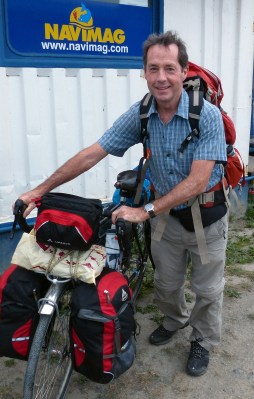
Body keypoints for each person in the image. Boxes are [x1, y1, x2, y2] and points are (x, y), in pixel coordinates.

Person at [17, 31, 227, 377]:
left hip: (206, 216)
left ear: (184, 71)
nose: (161, 78)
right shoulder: (142, 113)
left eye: (170, 68)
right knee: (167, 284)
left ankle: (202, 340)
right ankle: (174, 320)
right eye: (153, 69)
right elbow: (93, 154)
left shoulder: (206, 117)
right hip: (165, 219)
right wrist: (39, 191)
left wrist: (144, 211)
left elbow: (198, 181)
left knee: (206, 289)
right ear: (144, 72)